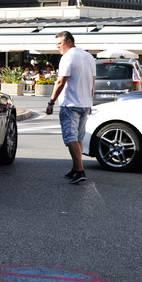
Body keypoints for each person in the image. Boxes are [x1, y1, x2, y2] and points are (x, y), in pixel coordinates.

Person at [46, 31, 95, 185]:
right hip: (84, 103)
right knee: (78, 137)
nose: (58, 47)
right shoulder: (88, 57)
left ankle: (80, 171)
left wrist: (51, 101)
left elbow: (61, 81)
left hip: (71, 104)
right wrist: (90, 101)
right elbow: (93, 81)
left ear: (68, 41)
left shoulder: (68, 57)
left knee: (70, 137)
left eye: (59, 44)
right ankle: (75, 168)